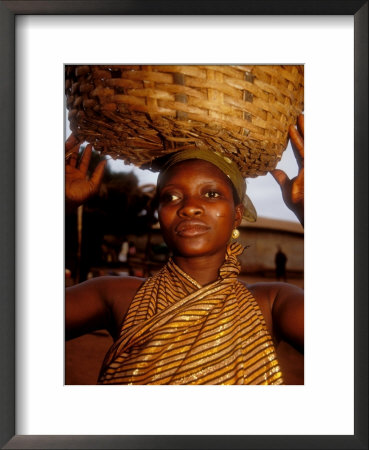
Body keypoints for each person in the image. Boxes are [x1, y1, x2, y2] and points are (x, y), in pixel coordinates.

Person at [65, 115, 304, 385]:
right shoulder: (114, 296)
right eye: (172, 196)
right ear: (159, 213)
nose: (189, 207)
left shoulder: (271, 304)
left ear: (237, 215)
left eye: (211, 194)